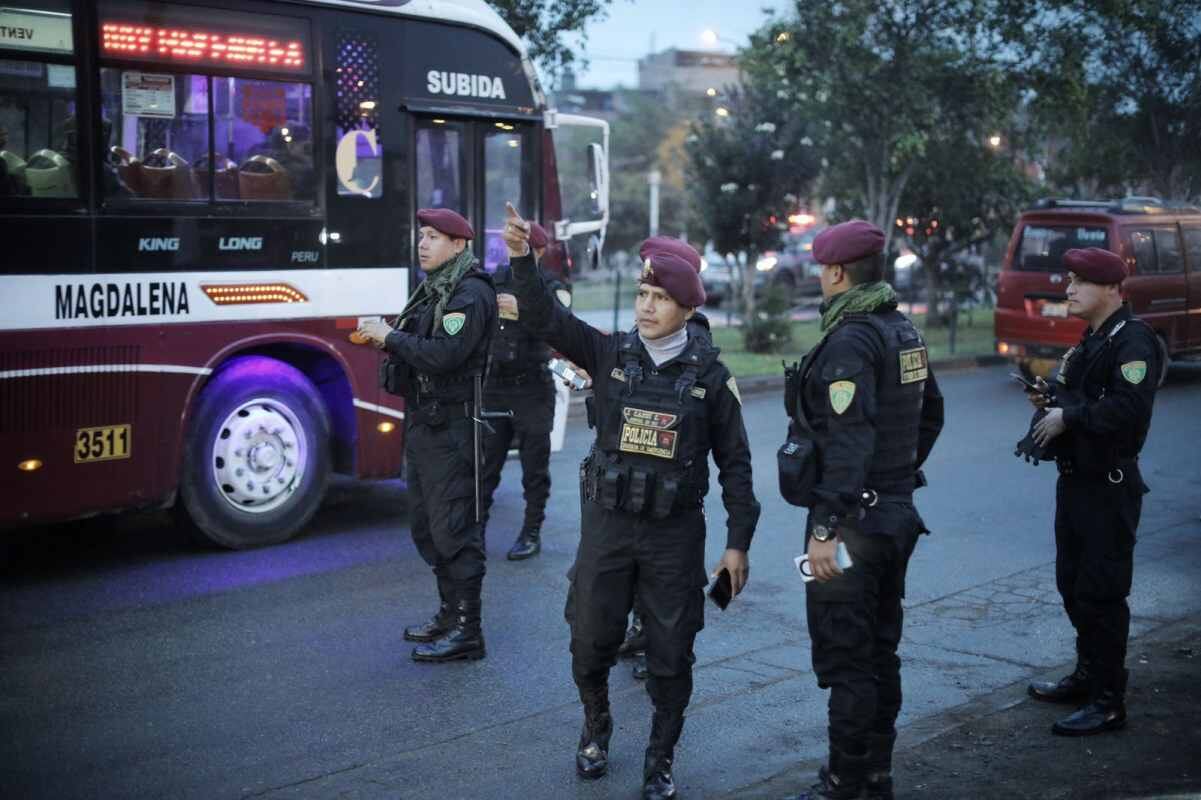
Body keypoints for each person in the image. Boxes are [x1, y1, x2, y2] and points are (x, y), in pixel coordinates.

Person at [502, 204, 759, 800]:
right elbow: (544, 317)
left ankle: (660, 757)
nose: (646, 305)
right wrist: (523, 260)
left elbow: (737, 468)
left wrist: (737, 544)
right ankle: (596, 727)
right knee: (591, 639)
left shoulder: (712, 380)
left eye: (660, 297)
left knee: (672, 655)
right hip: (609, 527)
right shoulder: (609, 354)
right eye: (643, 292)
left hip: (673, 536)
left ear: (688, 309)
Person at [784, 220, 943, 800]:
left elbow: (848, 442)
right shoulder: (903, 331)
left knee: (848, 658)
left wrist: (826, 525)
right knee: (880, 650)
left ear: (835, 273)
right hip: (894, 512)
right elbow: (930, 417)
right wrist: (896, 473)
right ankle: (876, 774)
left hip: (854, 523)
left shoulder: (851, 339)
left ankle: (845, 782)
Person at [1025, 247, 1159, 736]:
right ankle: (1086, 677)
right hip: (1077, 481)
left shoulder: (1135, 343)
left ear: (1110, 288)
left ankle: (1108, 700)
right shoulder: (1093, 340)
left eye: (1079, 282)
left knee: (1102, 593)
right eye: (1069, 280)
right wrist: (1050, 399)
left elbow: (1127, 409)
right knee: (1073, 585)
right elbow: (1081, 395)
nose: (1069, 289)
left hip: (1109, 485)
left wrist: (1070, 416)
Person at [355, 208, 496, 663]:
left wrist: (390, 339)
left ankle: (467, 630)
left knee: (456, 529)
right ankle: (448, 614)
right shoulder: (432, 290)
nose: (423, 243)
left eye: (433, 236)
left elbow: (447, 354)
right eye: (421, 235)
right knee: (428, 529)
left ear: (459, 245)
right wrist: (387, 334)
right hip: (426, 424)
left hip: (455, 427)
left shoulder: (470, 293)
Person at [479, 221, 565, 560]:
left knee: (534, 466)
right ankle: (476, 531)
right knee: (485, 465)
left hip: (533, 387)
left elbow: (561, 326)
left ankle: (531, 532)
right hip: (495, 386)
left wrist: (525, 309)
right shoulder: (492, 281)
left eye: (527, 247)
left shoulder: (550, 286)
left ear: (539, 252)